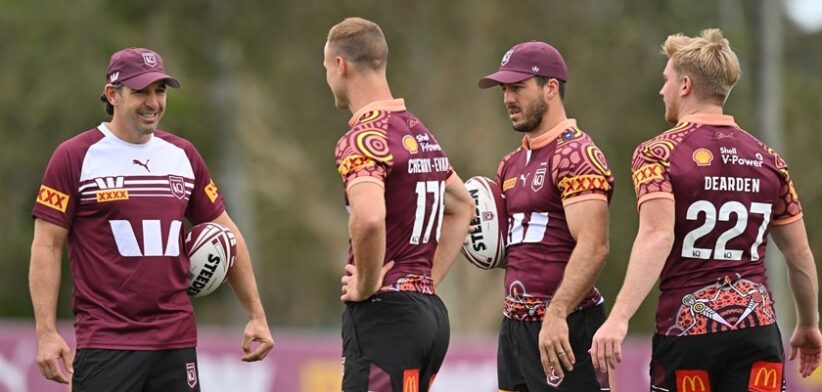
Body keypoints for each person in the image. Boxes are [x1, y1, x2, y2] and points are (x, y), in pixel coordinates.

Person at [29, 47, 274, 392]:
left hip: (175, 342)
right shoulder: (74, 156)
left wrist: (256, 315)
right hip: (107, 342)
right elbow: (47, 246)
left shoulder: (183, 155)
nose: (153, 102)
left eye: (159, 91)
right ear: (113, 94)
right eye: (141, 91)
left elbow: (226, 233)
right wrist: (46, 331)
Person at [590, 28, 822, 391]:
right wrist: (809, 324)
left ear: (685, 85)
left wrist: (619, 318)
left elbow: (657, 234)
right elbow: (799, 253)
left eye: (666, 80)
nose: (661, 90)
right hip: (756, 329)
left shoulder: (657, 154)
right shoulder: (770, 160)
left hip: (688, 330)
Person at [324, 17, 474, 392]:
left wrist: (367, 281)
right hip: (429, 317)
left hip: (386, 317)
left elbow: (370, 217)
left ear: (340, 66)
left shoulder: (362, 138)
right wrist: (422, 282)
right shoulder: (419, 132)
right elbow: (462, 207)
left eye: (326, 67)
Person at [477, 41, 614, 391]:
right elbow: (511, 247)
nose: (508, 98)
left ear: (551, 88)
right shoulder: (509, 163)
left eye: (518, 88)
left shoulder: (576, 155)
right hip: (515, 326)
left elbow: (594, 246)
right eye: (504, 89)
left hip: (565, 324)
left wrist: (556, 314)